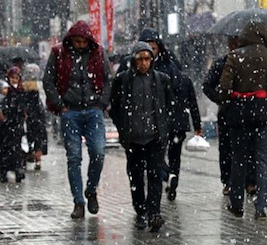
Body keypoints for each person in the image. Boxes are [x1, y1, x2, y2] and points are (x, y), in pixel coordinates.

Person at [219, 21, 267, 220]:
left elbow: (224, 87)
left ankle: (237, 204)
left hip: (239, 116)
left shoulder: (235, 57)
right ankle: (262, 207)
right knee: (264, 161)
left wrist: (227, 107)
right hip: (266, 115)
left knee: (238, 160)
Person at [43, 20, 111, 219]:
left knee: (98, 153)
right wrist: (60, 105)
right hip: (70, 111)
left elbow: (108, 79)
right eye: (77, 41)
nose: (80, 45)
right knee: (74, 158)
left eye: (83, 41)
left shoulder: (98, 53)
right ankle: (78, 202)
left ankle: (91, 189)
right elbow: (48, 81)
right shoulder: (59, 54)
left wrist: (101, 104)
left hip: (93, 111)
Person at [110, 42, 175, 232]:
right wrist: (123, 129)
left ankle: (154, 212)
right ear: (134, 60)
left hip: (155, 137)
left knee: (155, 175)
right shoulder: (123, 80)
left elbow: (169, 105)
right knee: (136, 176)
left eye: (147, 59)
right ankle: (140, 211)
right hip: (133, 138)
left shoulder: (161, 79)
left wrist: (164, 127)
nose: (144, 63)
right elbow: (115, 107)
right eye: (140, 59)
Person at [138, 28, 203, 201]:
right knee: (175, 156)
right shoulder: (180, 74)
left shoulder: (154, 73)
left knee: (156, 155)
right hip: (179, 121)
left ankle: (167, 176)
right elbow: (192, 101)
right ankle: (173, 180)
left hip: (161, 121)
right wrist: (197, 125)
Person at [203, 36, 257, 196]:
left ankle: (249, 181)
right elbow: (207, 86)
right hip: (228, 112)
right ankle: (228, 181)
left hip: (247, 111)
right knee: (227, 148)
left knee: (249, 147)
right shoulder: (221, 63)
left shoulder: (250, 63)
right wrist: (221, 99)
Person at [0, 68, 26, 183]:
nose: (14, 80)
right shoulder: (7, 91)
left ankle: (17, 169)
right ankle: (4, 170)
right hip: (6, 124)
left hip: (17, 123)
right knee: (6, 147)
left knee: (16, 147)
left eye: (16, 78)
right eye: (12, 78)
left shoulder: (21, 91)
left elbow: (24, 105)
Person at [22, 63, 48, 171]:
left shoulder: (25, 85)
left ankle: (32, 156)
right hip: (37, 115)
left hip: (32, 115)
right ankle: (36, 158)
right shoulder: (39, 85)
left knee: (31, 136)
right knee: (38, 137)